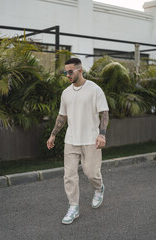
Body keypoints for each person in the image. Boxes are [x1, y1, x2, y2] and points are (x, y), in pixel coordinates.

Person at [47, 58, 109, 225]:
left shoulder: (94, 89)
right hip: (71, 140)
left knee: (90, 173)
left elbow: (104, 113)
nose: (67, 75)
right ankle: (73, 206)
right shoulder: (66, 93)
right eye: (65, 72)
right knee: (69, 176)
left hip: (91, 140)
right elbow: (62, 116)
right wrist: (53, 134)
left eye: (70, 71)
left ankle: (99, 188)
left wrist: (102, 134)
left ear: (80, 70)